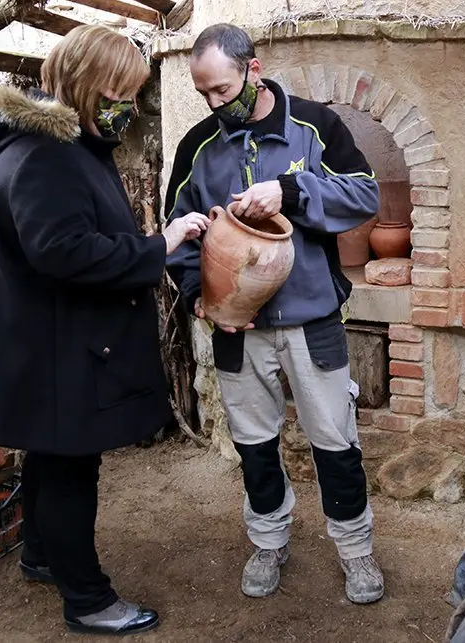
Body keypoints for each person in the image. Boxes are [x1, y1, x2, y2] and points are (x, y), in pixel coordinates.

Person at [0, 24, 210, 635]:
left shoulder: (35, 144)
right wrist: (160, 244)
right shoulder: (49, 155)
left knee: (50, 455)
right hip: (58, 349)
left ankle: (41, 554)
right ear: (91, 87)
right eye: (123, 93)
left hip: (37, 340)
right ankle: (88, 599)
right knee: (73, 470)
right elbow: (65, 252)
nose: (130, 106)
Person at [165, 23, 385, 604]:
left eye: (222, 89)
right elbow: (179, 235)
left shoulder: (317, 126)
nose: (214, 104)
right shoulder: (197, 147)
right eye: (203, 93)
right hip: (237, 326)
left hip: (313, 321)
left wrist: (291, 192)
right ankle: (268, 540)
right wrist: (199, 300)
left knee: (336, 441)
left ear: (252, 70)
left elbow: (366, 196)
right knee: (255, 443)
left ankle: (357, 550)